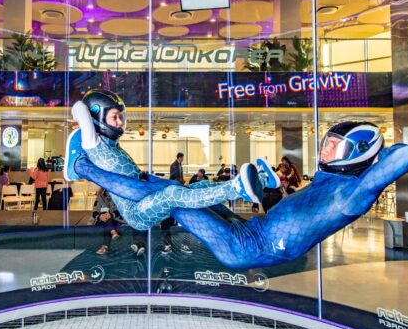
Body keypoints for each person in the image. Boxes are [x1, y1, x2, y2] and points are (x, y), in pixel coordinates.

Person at [66, 97, 408, 269]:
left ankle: (85, 169)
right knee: (194, 192)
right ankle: (233, 186)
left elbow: (404, 155)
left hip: (244, 247)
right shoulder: (330, 179)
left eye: (333, 147)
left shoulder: (353, 195)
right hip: (251, 229)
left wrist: (375, 148)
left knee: (172, 197)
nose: (324, 151)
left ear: (356, 152)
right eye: (324, 143)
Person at [64, 90, 268, 233]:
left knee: (200, 185)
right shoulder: (94, 144)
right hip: (137, 212)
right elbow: (79, 107)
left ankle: (261, 180)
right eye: (114, 117)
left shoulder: (111, 145)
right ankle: (237, 188)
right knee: (172, 195)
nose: (119, 122)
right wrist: (88, 115)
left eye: (120, 117)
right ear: (97, 116)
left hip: (144, 192)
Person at [92, 189, 121, 255]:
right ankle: (113, 232)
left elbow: (119, 212)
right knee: (107, 222)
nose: (109, 192)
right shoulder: (99, 197)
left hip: (113, 220)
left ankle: (104, 247)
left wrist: (111, 215)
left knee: (108, 221)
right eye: (108, 190)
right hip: (100, 220)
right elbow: (94, 212)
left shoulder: (118, 197)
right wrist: (100, 216)